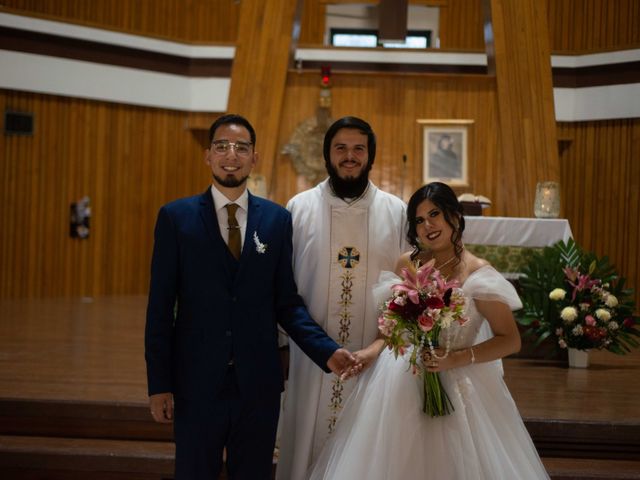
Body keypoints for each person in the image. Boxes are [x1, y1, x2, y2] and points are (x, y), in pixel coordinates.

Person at [144, 114, 357, 480]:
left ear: (254, 157)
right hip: (195, 381)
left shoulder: (276, 220)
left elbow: (286, 303)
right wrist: (159, 384)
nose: (232, 154)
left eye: (241, 147)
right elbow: (160, 309)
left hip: (258, 384)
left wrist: (326, 351)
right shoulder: (175, 218)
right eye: (222, 146)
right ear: (208, 155)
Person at [307, 182, 550, 479]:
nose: (428, 225)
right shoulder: (406, 264)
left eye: (435, 214)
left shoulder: (476, 273)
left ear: (455, 216)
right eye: (419, 220)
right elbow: (389, 329)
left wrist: (455, 359)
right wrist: (370, 352)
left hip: (458, 382)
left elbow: (510, 341)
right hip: (399, 378)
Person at [276, 116, 409, 480]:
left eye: (358, 149)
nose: (349, 156)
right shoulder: (298, 207)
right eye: (341, 148)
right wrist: (283, 345)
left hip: (374, 357)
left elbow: (407, 288)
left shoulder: (395, 211)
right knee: (306, 443)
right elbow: (282, 284)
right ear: (327, 155)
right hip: (311, 358)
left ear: (370, 156)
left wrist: (382, 344)